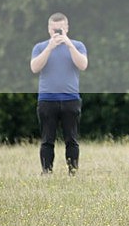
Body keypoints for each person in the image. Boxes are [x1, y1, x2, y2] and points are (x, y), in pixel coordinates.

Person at [30, 13, 88, 176]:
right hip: (47, 100)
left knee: (72, 139)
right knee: (47, 140)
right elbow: (35, 68)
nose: (58, 32)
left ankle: (73, 172)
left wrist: (69, 45)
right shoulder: (40, 47)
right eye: (55, 29)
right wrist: (50, 47)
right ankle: (46, 171)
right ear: (49, 29)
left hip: (71, 99)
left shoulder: (77, 45)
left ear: (67, 28)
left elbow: (83, 65)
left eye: (61, 28)